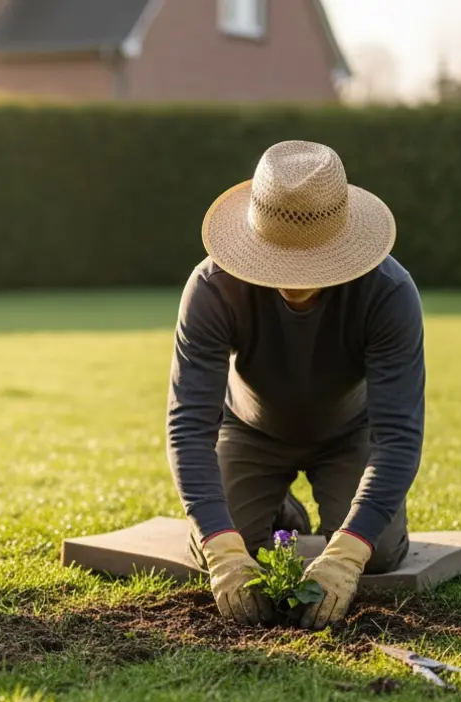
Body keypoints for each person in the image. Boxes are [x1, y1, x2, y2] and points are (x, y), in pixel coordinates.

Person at [165, 140, 426, 629]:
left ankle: (315, 513)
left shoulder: (388, 293)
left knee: (382, 553)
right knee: (217, 547)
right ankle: (280, 510)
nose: (292, 277)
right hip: (249, 431)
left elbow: (398, 436)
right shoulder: (212, 289)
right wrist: (222, 547)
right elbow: (189, 426)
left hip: (351, 434)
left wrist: (348, 553)